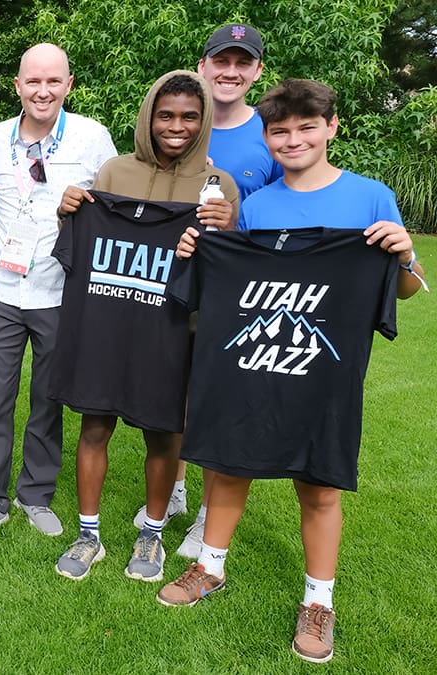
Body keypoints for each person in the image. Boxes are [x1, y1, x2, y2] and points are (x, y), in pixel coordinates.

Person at [157, 79, 426, 665]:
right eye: (280, 130)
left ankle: (318, 601)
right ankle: (210, 566)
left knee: (319, 482)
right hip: (252, 363)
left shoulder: (371, 196)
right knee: (229, 465)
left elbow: (402, 291)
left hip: (323, 371)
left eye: (307, 127)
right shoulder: (259, 205)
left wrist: (405, 256)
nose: (293, 139)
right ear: (267, 137)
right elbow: (240, 277)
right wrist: (199, 249)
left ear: (332, 127)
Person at [52, 70, 238, 583]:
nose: (176, 126)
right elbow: (77, 248)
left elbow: (229, 271)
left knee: (165, 433)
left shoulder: (218, 188)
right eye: (165, 116)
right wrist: (69, 210)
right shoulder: (113, 172)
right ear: (149, 117)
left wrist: (222, 232)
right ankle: (88, 534)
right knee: (95, 426)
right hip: (107, 324)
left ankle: (152, 533)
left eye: (188, 117)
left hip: (176, 330)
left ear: (202, 124)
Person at [133, 23, 284, 555]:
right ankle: (173, 489)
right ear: (203, 66)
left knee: (214, 402)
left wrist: (234, 215)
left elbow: (280, 207)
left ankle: (205, 512)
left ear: (257, 72)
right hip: (169, 284)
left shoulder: (271, 131)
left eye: (243, 63)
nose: (231, 71)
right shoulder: (176, 119)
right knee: (172, 392)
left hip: (237, 289)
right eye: (222, 60)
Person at [0, 43, 117, 544]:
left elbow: (114, 206)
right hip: (1, 290)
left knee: (48, 400)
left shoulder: (93, 138)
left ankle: (35, 494)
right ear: (18, 86)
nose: (42, 91)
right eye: (33, 81)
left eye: (53, 81)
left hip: (60, 292)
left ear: (69, 85)